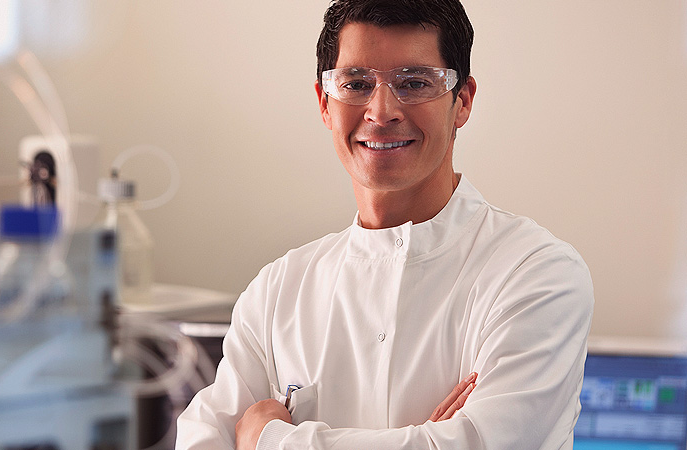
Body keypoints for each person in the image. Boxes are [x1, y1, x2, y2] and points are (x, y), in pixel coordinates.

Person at [175, 0, 594, 448]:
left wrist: (269, 437)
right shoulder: (278, 290)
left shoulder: (537, 273)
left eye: (414, 83)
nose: (381, 111)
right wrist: (428, 438)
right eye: (356, 84)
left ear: (462, 102)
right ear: (325, 104)